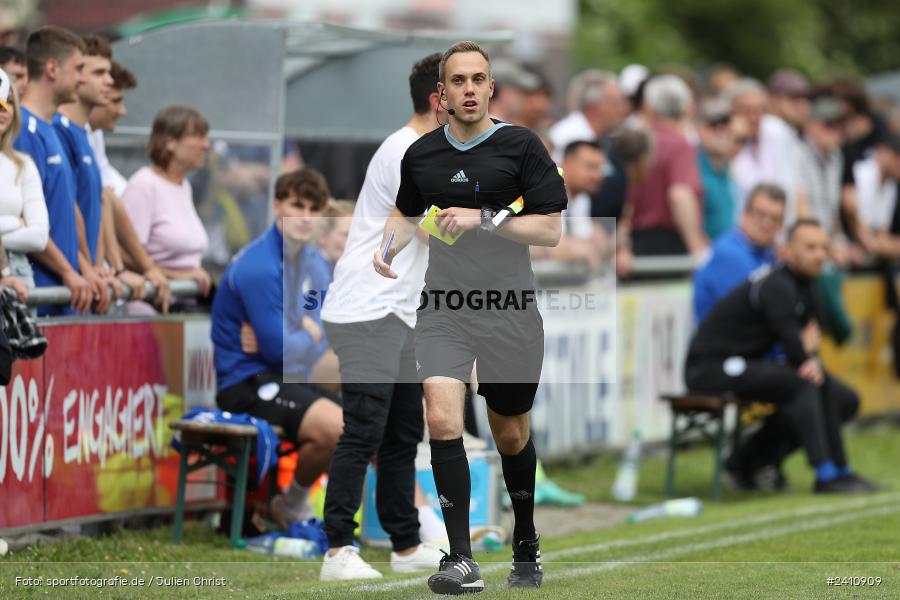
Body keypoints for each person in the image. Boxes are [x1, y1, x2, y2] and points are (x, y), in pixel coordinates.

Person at [374, 41, 567, 594]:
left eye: (478, 79)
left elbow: (549, 230)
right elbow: (406, 213)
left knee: (510, 433)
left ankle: (525, 538)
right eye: (458, 81)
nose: (469, 89)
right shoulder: (421, 155)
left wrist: (482, 218)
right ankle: (460, 557)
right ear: (442, 93)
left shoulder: (521, 146)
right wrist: (386, 248)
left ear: (491, 88)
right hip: (444, 307)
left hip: (508, 310)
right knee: (441, 419)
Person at [318, 52, 444, 581]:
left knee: (401, 434)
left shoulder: (424, 150)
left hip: (396, 311)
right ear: (438, 99)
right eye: (463, 88)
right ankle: (337, 551)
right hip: (367, 308)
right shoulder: (406, 151)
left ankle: (405, 545)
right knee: (364, 432)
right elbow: (432, 230)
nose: (475, 100)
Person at [684, 219, 878, 494]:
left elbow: (812, 341)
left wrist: (807, 354)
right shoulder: (776, 284)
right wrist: (805, 354)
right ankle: (825, 474)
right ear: (786, 251)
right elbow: (797, 349)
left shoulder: (809, 285)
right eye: (810, 247)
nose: (820, 255)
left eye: (824, 247)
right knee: (805, 383)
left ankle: (750, 461)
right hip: (710, 367)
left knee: (844, 400)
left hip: (750, 364)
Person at [212, 168, 343, 530]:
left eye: (314, 209)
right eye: (297, 206)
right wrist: (307, 334)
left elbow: (328, 330)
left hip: (288, 376)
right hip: (246, 382)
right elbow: (277, 350)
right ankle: (290, 507)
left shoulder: (313, 261)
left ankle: (406, 528)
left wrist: (304, 333)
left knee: (368, 421)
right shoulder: (258, 266)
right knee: (336, 427)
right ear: (277, 207)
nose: (305, 217)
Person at [14, 26, 101, 316]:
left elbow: (66, 209)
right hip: (39, 295)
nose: (82, 79)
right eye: (78, 69)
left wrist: (84, 269)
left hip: (65, 294)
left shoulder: (49, 129)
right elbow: (24, 218)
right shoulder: (23, 130)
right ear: (52, 68)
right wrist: (66, 271)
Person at [87, 61, 171, 311]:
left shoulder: (93, 135)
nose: (122, 111)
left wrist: (144, 268)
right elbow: (102, 198)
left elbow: (108, 197)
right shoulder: (143, 184)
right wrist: (120, 268)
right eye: (115, 101)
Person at [122, 106, 212, 311]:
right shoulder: (144, 185)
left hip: (181, 307)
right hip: (150, 309)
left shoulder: (183, 185)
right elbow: (125, 255)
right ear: (170, 142)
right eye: (198, 137)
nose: (205, 145)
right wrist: (178, 276)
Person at [617, 74, 707, 263]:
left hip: (636, 243)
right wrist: (697, 248)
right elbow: (680, 194)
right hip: (669, 243)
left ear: (648, 106)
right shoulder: (679, 145)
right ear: (685, 107)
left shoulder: (637, 141)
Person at [54, 34, 111, 274]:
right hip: (69, 278)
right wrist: (86, 267)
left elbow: (97, 205)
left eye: (108, 73)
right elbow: (67, 209)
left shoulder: (85, 134)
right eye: (98, 73)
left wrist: (99, 265)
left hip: (87, 278)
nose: (109, 81)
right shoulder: (59, 129)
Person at [693, 183, 784, 324]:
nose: (767, 223)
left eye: (775, 219)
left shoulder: (769, 253)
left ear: (781, 225)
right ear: (745, 214)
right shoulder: (729, 253)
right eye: (760, 215)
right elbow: (748, 316)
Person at [0, 67, 48, 296]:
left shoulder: (23, 164)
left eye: (9, 102)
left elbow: (39, 238)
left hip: (19, 276)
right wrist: (14, 222)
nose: (3, 108)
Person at [530, 140, 607, 271]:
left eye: (599, 168)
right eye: (590, 167)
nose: (597, 175)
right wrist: (573, 248)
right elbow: (534, 243)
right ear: (567, 164)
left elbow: (586, 240)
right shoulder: (545, 191)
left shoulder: (581, 198)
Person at [696, 96, 740, 241]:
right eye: (713, 125)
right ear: (700, 129)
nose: (721, 131)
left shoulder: (729, 168)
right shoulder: (692, 167)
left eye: (726, 124)